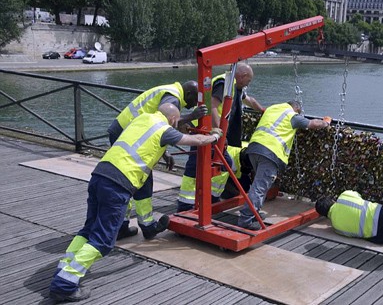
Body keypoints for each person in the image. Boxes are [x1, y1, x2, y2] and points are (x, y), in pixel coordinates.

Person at [49, 103, 221, 302]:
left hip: (100, 174)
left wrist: (163, 151)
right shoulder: (164, 129)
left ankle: (64, 268)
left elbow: (142, 141)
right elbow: (196, 140)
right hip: (118, 184)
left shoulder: (142, 119)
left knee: (89, 229)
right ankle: (64, 284)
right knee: (103, 241)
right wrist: (215, 135)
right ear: (173, 120)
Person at [107, 81, 207, 240]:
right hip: (129, 136)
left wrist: (164, 153)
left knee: (127, 182)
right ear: (188, 94)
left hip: (125, 132)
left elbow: (152, 129)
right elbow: (164, 125)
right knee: (142, 180)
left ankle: (121, 226)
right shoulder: (173, 98)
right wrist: (192, 117)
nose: (195, 105)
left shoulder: (169, 90)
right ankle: (147, 227)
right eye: (196, 100)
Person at [177, 63, 263, 211]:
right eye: (248, 81)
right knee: (199, 166)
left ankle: (209, 198)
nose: (248, 84)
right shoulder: (224, 83)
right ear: (242, 76)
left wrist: (262, 109)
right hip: (208, 133)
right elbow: (212, 106)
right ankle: (188, 204)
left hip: (212, 134)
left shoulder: (235, 86)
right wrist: (219, 132)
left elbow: (248, 99)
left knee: (220, 165)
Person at [238, 101, 330, 230]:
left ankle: (254, 214)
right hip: (270, 152)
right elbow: (312, 124)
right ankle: (245, 220)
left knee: (259, 185)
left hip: (253, 148)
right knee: (259, 187)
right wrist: (325, 122)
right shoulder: (291, 115)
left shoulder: (272, 108)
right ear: (296, 109)